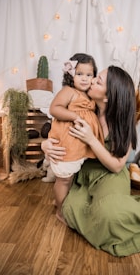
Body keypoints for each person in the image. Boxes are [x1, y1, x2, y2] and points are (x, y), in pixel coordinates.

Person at [42, 65, 140, 257]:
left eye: (98, 81)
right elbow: (57, 126)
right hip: (84, 175)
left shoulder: (124, 121)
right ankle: (119, 206)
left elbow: (116, 166)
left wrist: (91, 138)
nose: (91, 81)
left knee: (109, 214)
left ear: (107, 97)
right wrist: (45, 145)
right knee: (69, 209)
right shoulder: (80, 104)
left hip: (111, 175)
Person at [48, 53, 104, 223]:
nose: (85, 79)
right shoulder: (68, 91)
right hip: (68, 143)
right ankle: (60, 210)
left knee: (71, 177)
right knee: (64, 178)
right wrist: (74, 116)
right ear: (70, 74)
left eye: (89, 75)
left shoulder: (90, 95)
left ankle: (62, 200)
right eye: (79, 74)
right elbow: (54, 109)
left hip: (80, 146)